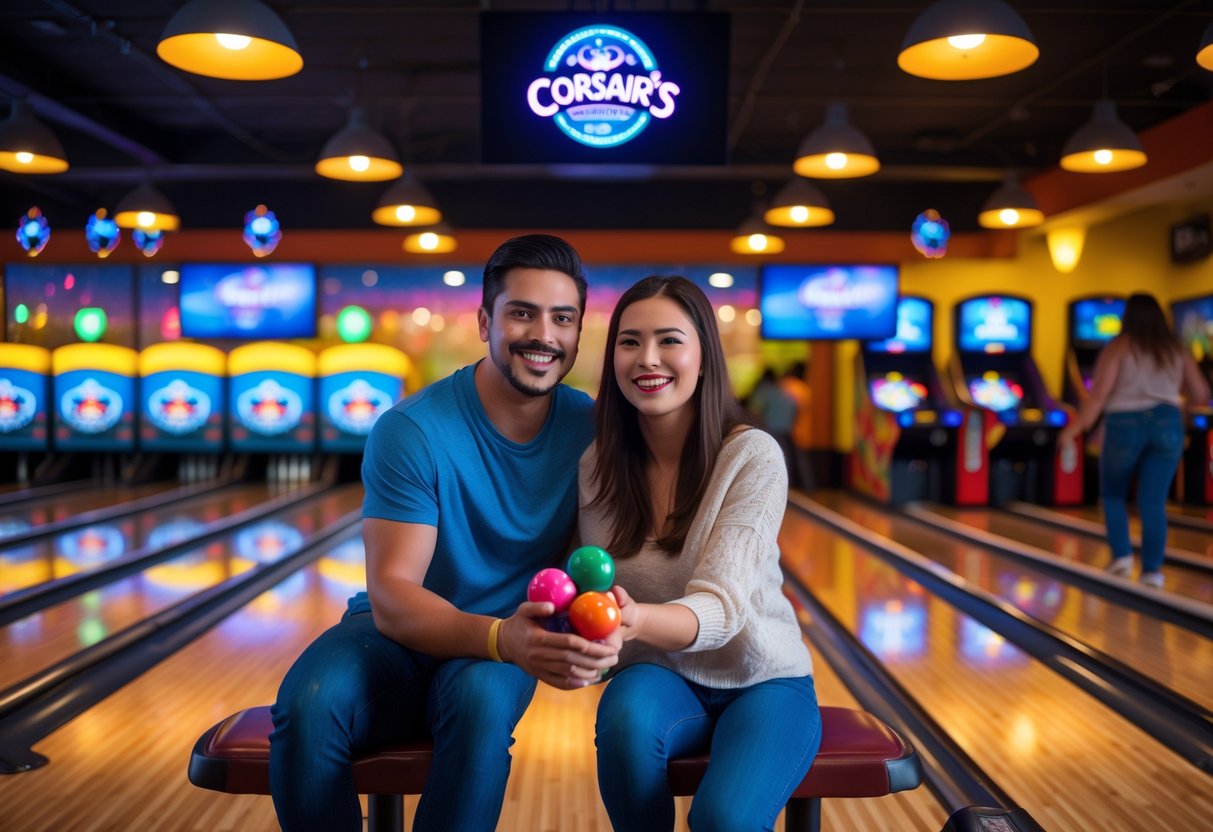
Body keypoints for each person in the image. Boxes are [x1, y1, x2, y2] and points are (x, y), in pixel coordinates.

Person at [268, 234, 619, 832]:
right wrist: (503, 638)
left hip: (505, 645)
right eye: (522, 313)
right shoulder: (413, 429)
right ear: (485, 321)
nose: (544, 334)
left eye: (562, 318)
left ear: (579, 331)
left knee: (481, 705)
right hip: (400, 641)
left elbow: (606, 567)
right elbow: (395, 597)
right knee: (308, 704)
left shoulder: (592, 430)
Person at [579, 276, 821, 831]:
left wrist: (632, 619)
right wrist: (586, 643)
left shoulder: (752, 455)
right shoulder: (597, 466)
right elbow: (597, 598)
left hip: (763, 679)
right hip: (659, 673)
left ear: (705, 356)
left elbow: (723, 609)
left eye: (669, 340)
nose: (648, 358)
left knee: (724, 820)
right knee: (624, 719)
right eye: (630, 341)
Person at [1059, 292, 1210, 589]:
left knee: (1113, 495)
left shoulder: (1119, 346)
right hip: (1167, 423)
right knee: (1153, 502)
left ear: (1127, 317)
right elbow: (1201, 393)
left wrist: (1073, 429)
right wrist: (1183, 412)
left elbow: (1099, 396)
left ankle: (1122, 558)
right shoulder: (1176, 348)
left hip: (1124, 424)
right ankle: (1152, 571)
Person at [745, 366, 799, 486]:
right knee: (785, 462)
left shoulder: (763, 391)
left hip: (769, 432)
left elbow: (754, 411)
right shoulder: (784, 392)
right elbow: (794, 409)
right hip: (786, 433)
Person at [779, 361, 816, 492]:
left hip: (786, 429)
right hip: (801, 429)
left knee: (786, 459)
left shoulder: (786, 385)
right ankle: (808, 488)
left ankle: (787, 487)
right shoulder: (803, 388)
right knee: (801, 460)